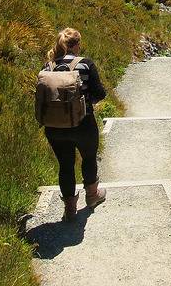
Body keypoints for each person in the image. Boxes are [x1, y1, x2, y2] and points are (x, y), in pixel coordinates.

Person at [44, 28, 108, 221]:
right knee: (88, 158)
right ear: (77, 45)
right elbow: (100, 93)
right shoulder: (85, 64)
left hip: (54, 127)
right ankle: (92, 196)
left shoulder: (48, 66)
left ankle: (70, 209)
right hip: (83, 123)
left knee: (65, 165)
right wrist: (86, 102)